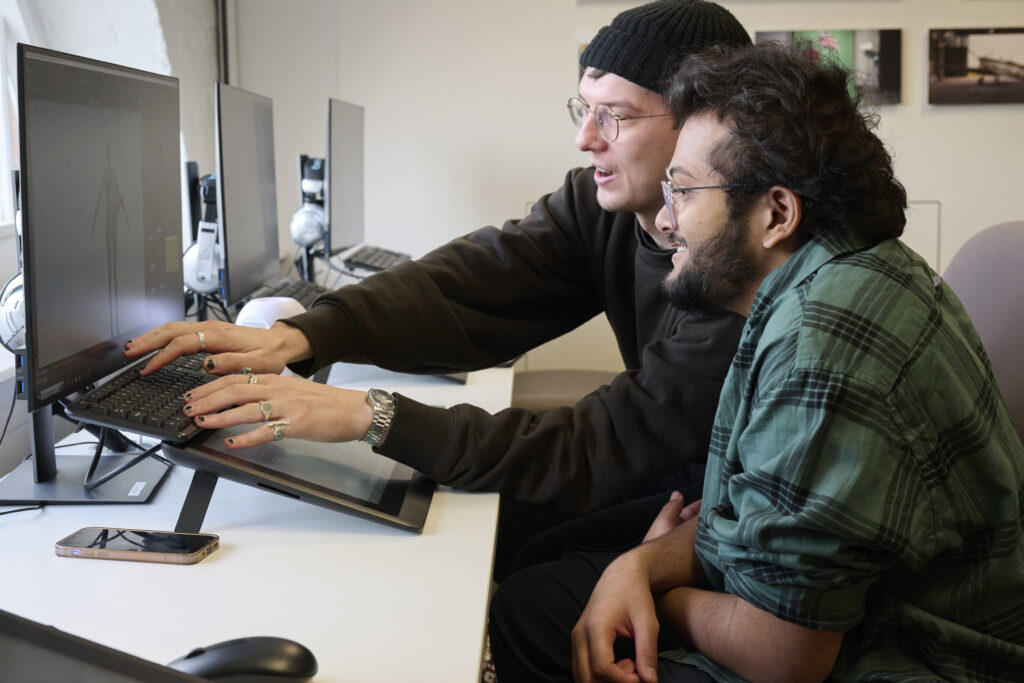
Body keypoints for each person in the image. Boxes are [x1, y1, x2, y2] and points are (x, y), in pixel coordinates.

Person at [125, 0, 752, 577]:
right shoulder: (603, 209)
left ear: (706, 126)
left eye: (613, 116)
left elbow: (607, 443)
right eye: (582, 108)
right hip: (651, 466)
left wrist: (372, 416)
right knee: (456, 515)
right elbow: (473, 283)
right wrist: (306, 333)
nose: (585, 137)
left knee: (509, 565)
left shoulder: (746, 271)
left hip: (704, 512)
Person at [492, 42, 1024, 682]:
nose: (664, 218)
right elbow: (756, 514)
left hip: (905, 658)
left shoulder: (820, 346)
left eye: (683, 190)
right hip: (844, 608)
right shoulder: (838, 271)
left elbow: (787, 658)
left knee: (532, 614)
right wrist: (639, 565)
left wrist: (661, 595)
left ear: (776, 213)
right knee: (552, 572)